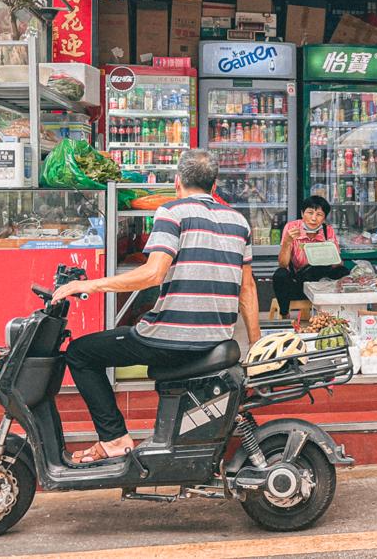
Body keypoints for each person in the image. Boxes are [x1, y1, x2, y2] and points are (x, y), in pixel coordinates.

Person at [52, 149, 261, 463]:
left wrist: (86, 285)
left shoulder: (171, 212)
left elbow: (152, 274)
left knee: (80, 353)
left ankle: (114, 439)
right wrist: (256, 343)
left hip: (169, 339)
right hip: (217, 338)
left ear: (177, 181)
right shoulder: (238, 221)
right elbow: (248, 287)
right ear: (214, 184)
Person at [272, 195, 349, 315]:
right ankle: (284, 313)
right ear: (302, 213)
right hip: (299, 282)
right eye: (310, 212)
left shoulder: (327, 231)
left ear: (324, 218)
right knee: (280, 274)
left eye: (319, 214)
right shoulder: (292, 228)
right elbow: (283, 264)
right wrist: (287, 241)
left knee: (343, 271)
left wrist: (329, 251)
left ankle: (338, 312)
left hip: (322, 282)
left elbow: (338, 264)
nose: (314, 218)